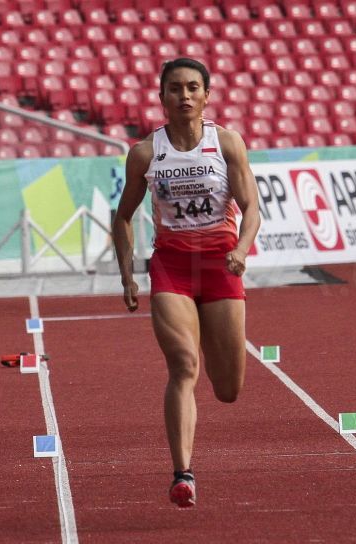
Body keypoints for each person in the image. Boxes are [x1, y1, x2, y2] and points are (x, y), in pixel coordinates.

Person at [111, 58, 261, 508]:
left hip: (221, 266)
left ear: (207, 95)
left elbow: (251, 207)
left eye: (193, 87)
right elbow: (123, 216)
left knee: (228, 389)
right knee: (182, 366)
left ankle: (216, 356)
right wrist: (127, 276)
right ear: (162, 98)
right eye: (175, 88)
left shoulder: (227, 144)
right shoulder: (144, 153)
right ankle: (183, 474)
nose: (184, 96)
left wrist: (240, 249)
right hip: (172, 267)